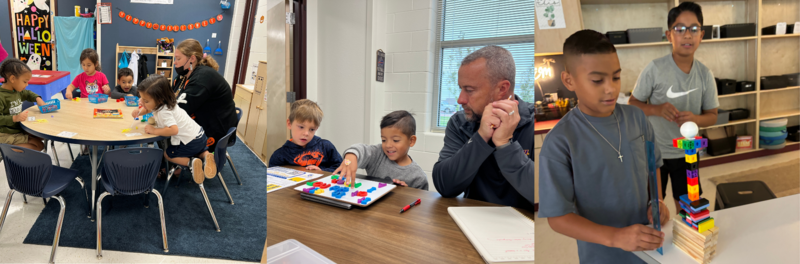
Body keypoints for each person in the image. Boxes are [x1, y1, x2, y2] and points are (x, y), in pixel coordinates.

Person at [538, 30, 670, 264]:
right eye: (597, 80)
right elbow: (558, 217)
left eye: (616, 77)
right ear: (569, 80)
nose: (610, 89)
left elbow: (653, 165)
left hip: (650, 245)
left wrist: (656, 201)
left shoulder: (637, 118)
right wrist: (615, 237)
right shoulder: (561, 141)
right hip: (601, 254)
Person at [629, 2, 719, 210]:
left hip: (687, 153)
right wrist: (657, 109)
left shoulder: (705, 74)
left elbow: (712, 115)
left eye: (694, 29)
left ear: (701, 35)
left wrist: (695, 119)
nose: (687, 35)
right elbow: (633, 104)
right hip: (655, 151)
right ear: (669, 35)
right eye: (680, 29)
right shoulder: (654, 68)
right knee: (653, 207)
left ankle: (685, 237)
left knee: (688, 207)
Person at [432, 45, 536, 211]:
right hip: (471, 223)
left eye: (469, 90)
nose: (460, 99)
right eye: (461, 89)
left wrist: (504, 144)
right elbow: (445, 186)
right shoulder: (460, 123)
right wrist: (480, 137)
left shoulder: (536, 124)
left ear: (502, 89)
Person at [132, 75, 216, 184]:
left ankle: (192, 163)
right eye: (141, 98)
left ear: (159, 100)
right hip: (200, 136)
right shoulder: (168, 101)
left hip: (190, 141)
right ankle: (205, 155)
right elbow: (149, 108)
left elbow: (173, 130)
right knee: (198, 150)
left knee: (168, 154)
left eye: (146, 101)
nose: (142, 102)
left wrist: (154, 131)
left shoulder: (164, 112)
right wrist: (139, 112)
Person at [333, 110, 429, 190]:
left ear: (411, 141)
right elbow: (361, 149)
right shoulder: (378, 153)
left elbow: (420, 205)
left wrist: (406, 194)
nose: (388, 145)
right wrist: (351, 157)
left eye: (395, 140)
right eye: (384, 140)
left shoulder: (418, 177)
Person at [171, 39, 237, 151]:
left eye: (178, 59)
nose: (175, 62)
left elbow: (181, 109)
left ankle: (180, 160)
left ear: (192, 59)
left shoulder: (202, 77)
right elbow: (171, 97)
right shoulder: (184, 75)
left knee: (169, 127)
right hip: (202, 119)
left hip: (214, 128)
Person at [269, 99, 342, 172]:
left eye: (312, 129)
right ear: (289, 124)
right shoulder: (280, 155)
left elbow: (341, 168)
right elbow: (272, 176)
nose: (306, 133)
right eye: (301, 127)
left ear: (316, 128)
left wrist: (322, 171)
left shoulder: (326, 146)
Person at [0, 58, 46, 151]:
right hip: (5, 134)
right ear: (13, 79)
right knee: (39, 146)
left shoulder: (16, 91)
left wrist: (38, 98)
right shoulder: (1, 96)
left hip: (17, 129)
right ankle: (6, 151)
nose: (27, 84)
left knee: (41, 135)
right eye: (25, 81)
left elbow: (28, 93)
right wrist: (14, 118)